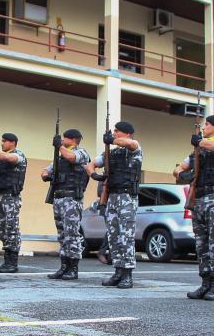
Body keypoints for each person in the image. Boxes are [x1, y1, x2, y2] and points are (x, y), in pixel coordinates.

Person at [173, 115, 214, 301]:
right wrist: (186, 173)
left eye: (207, 124)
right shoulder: (197, 151)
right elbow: (178, 169)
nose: (204, 127)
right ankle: (205, 283)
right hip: (199, 199)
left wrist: (201, 142)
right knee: (202, 245)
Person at [87, 121, 141, 288]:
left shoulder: (134, 147)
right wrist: (94, 175)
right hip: (112, 197)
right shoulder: (110, 152)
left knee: (126, 237)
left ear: (127, 133)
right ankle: (117, 272)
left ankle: (127, 275)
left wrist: (112, 140)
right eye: (114, 131)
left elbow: (130, 143)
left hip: (127, 197)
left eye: (117, 131)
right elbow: (90, 164)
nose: (115, 133)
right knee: (113, 236)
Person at [42, 128, 91, 280]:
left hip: (71, 199)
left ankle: (73, 268)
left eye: (65, 138)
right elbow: (47, 170)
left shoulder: (81, 153)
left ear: (73, 139)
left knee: (72, 234)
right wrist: (46, 175)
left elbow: (71, 157)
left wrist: (59, 147)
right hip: (58, 198)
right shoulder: (60, 156)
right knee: (62, 234)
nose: (62, 140)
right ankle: (63, 267)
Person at [0, 132, 27, 273]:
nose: (2, 143)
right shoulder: (1, 160)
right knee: (3, 230)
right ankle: (6, 261)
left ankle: (12, 263)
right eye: (2, 141)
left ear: (13, 143)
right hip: (1, 196)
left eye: (4, 141)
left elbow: (10, 157)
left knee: (11, 229)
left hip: (11, 197)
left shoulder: (18, 155)